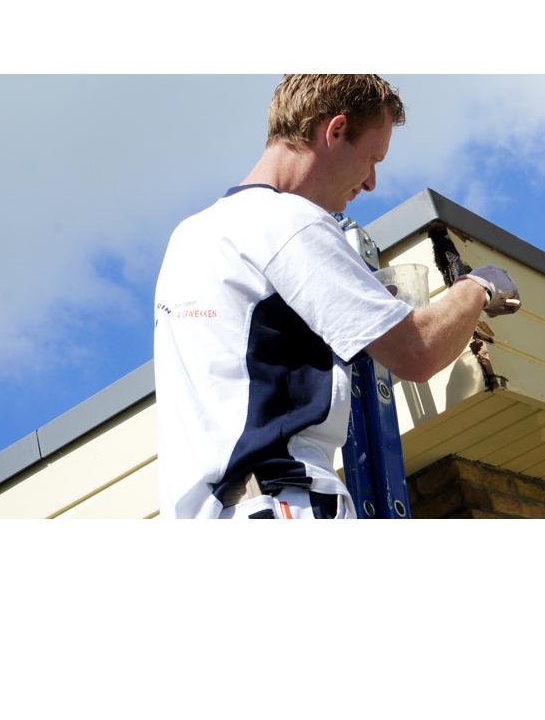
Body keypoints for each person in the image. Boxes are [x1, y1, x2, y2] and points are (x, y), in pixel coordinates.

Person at [154, 74, 521, 519]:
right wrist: (478, 286)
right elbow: (418, 351)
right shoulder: (289, 221)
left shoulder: (192, 236)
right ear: (337, 130)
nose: (371, 183)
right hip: (283, 505)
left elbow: (254, 359)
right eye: (372, 158)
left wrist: (360, 310)